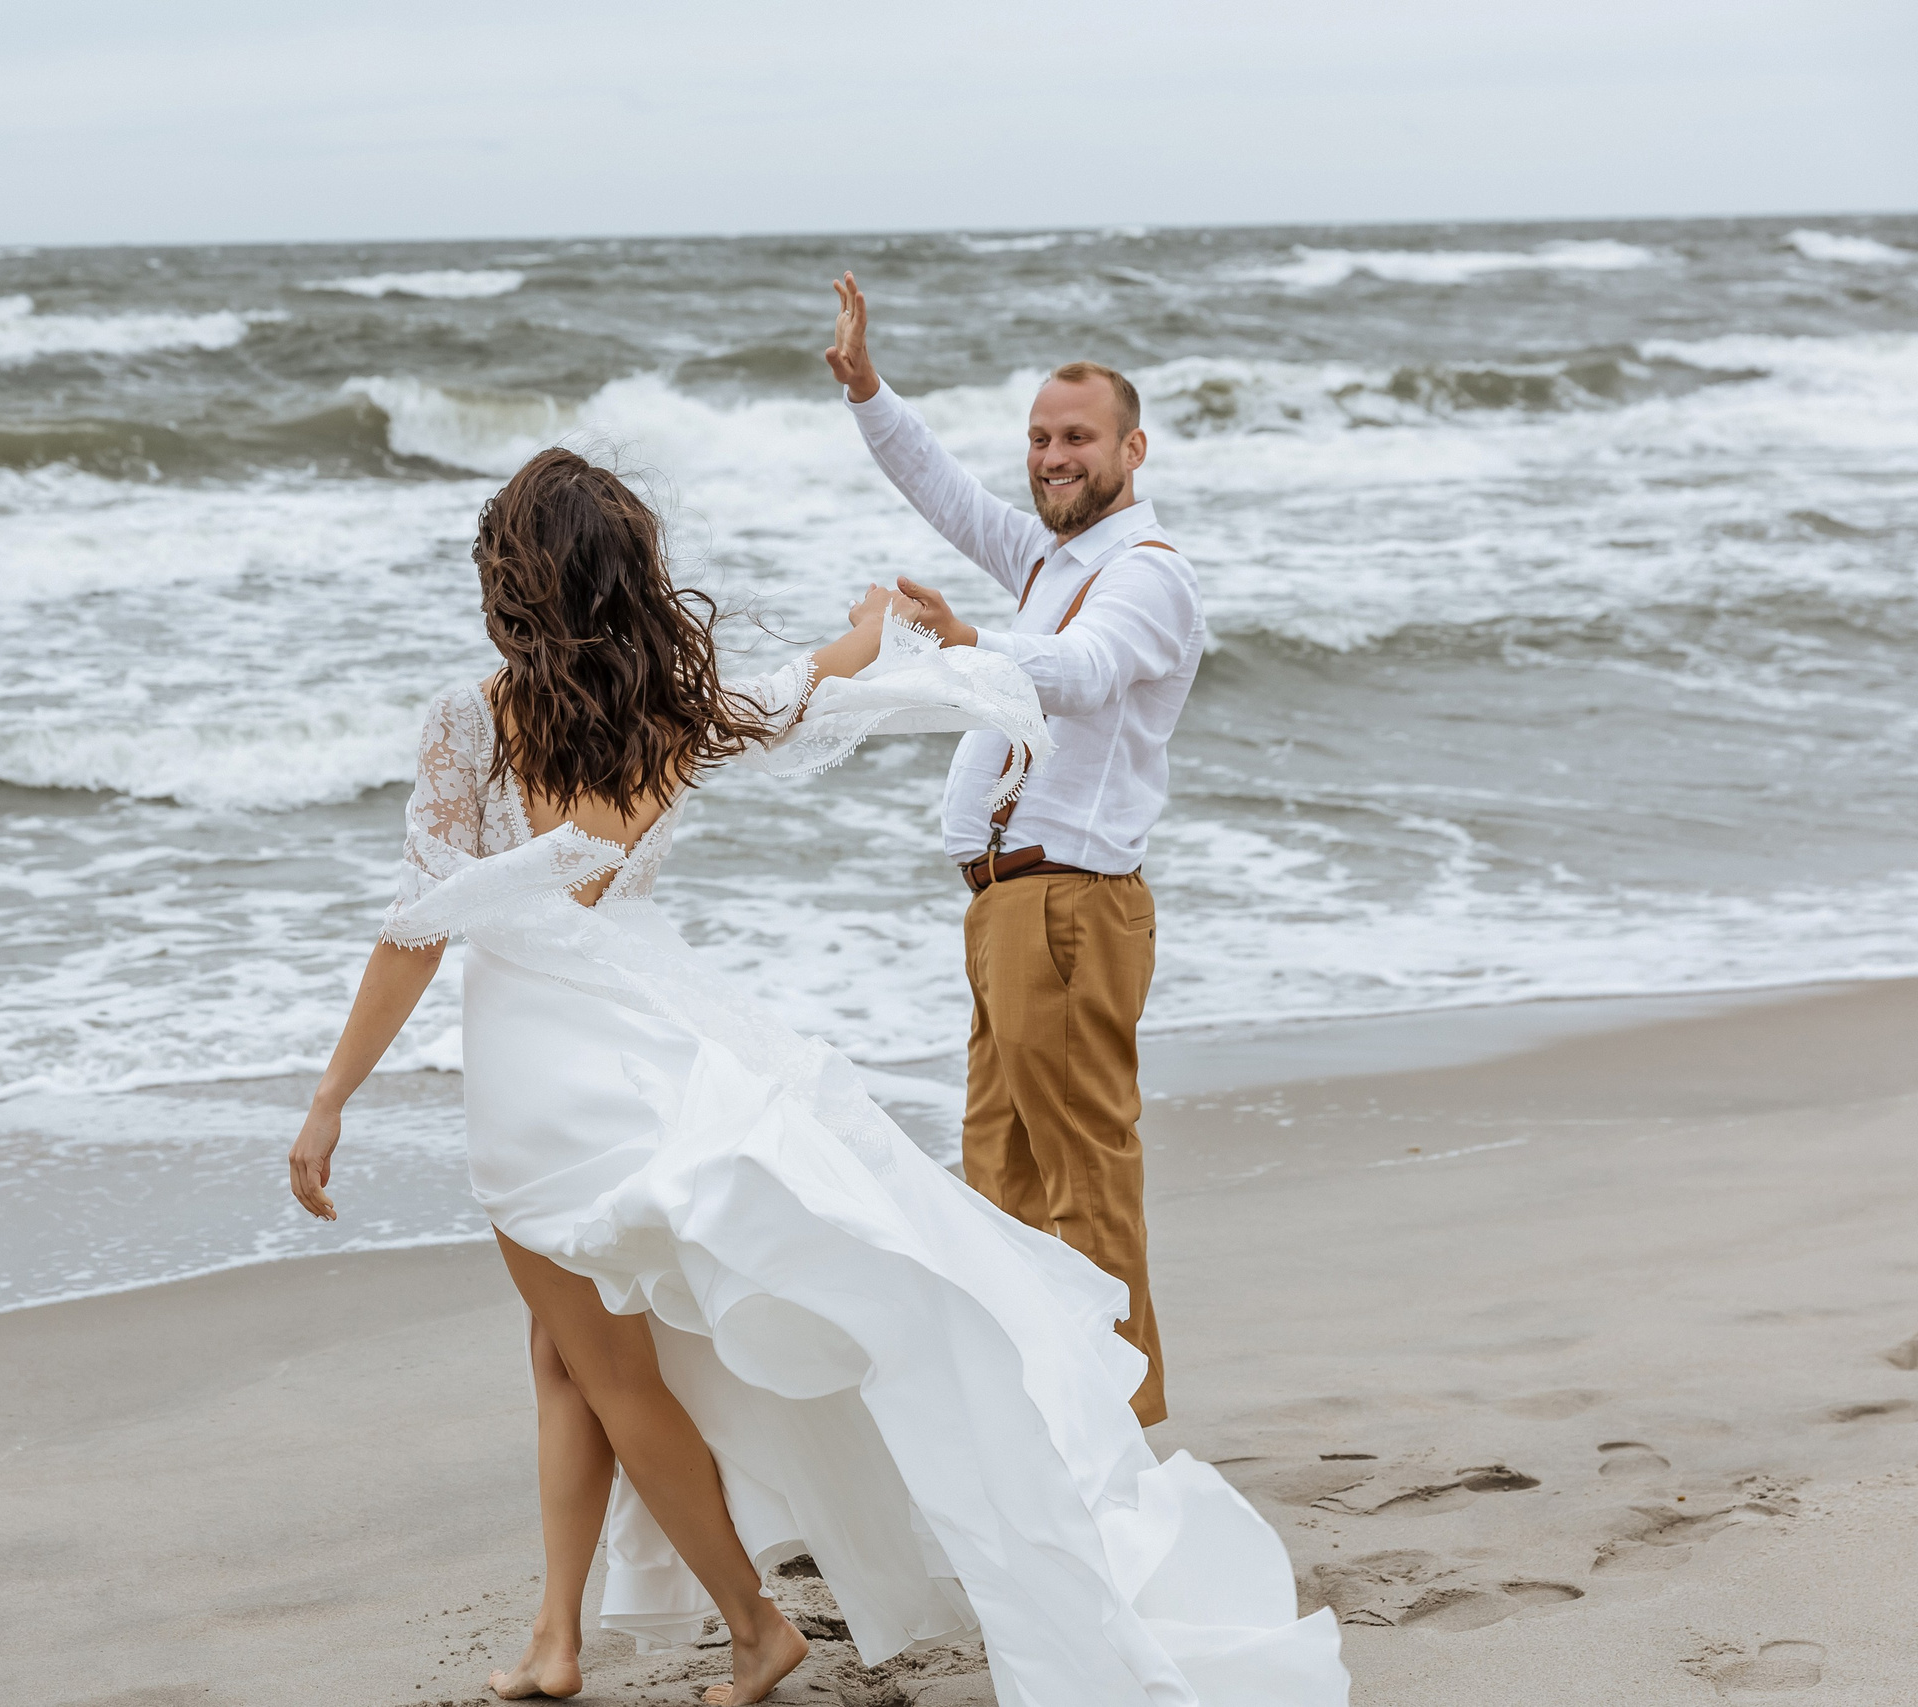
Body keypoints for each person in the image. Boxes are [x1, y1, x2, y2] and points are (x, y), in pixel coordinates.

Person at [288, 448, 1344, 1706]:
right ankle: (555, 1639)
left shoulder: (472, 718)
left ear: (510, 577)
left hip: (537, 1080)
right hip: (652, 1037)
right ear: (626, 576)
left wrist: (330, 1098)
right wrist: (863, 633)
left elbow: (418, 927)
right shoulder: (669, 710)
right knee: (565, 1356)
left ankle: (751, 1624)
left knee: (609, 1370)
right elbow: (799, 691)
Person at [825, 272, 1197, 1428]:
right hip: (1004, 910)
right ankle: (1041, 1415)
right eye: (1039, 437)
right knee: (999, 1181)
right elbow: (943, 491)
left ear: (1132, 448)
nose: (1050, 457)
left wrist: (970, 640)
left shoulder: (1147, 576)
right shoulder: (1048, 562)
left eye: (1076, 437)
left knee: (1084, 1178)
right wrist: (867, 390)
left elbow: (1083, 679)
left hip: (1070, 910)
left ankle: (1124, 1426)